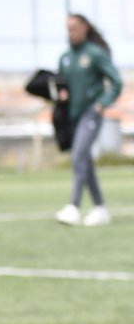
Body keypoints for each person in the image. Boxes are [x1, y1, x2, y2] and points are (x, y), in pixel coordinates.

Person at [53, 13, 123, 227]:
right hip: (72, 116)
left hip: (91, 113)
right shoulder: (65, 57)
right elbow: (61, 83)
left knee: (78, 156)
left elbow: (116, 82)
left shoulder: (95, 53)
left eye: (74, 28)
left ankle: (73, 206)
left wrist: (102, 103)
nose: (71, 33)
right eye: (68, 29)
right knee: (84, 160)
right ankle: (100, 208)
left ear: (85, 28)